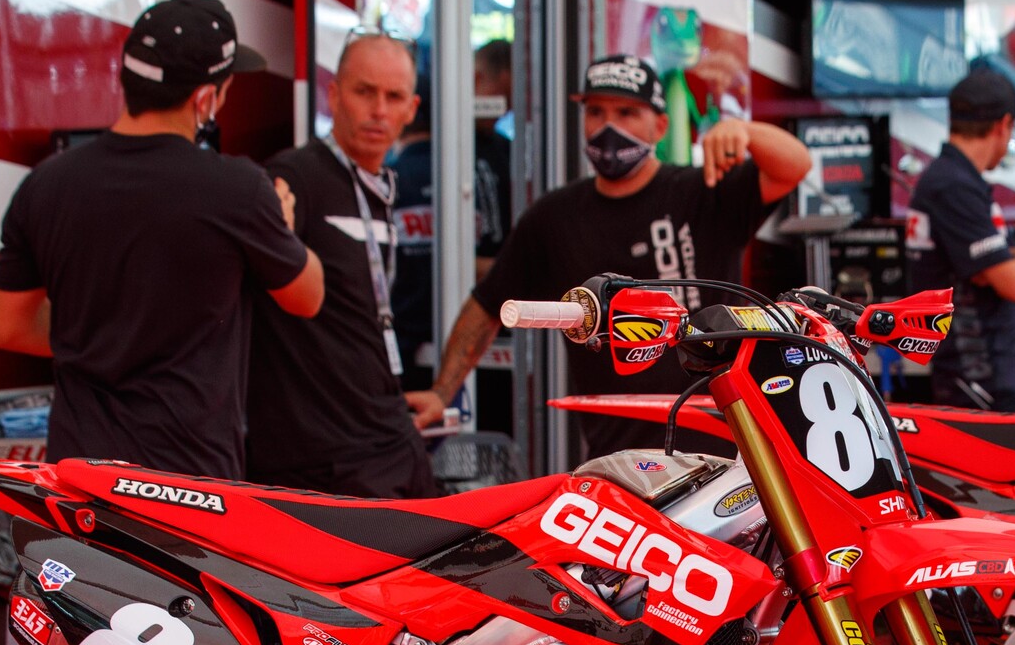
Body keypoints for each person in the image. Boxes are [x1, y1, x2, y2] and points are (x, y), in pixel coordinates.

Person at [0, 0, 323, 479]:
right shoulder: (238, 189)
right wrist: (284, 227)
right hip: (189, 484)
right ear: (205, 99)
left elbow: (7, 327)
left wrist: (102, 333)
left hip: (80, 479)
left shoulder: (44, 185)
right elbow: (307, 297)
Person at [416, 54, 813, 459]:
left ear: (660, 125)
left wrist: (744, 131)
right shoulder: (552, 218)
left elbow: (794, 165)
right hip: (619, 460)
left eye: (626, 112)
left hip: (726, 448)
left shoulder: (703, 191)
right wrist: (441, 392)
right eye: (596, 111)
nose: (608, 126)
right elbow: (486, 306)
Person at [245, 33, 436, 497]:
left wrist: (434, 392)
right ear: (333, 96)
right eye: (364, 91)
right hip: (320, 459)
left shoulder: (382, 187)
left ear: (411, 109)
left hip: (386, 434)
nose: (379, 110)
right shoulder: (293, 176)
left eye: (393, 97)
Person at [391, 42, 517, 421]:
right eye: (503, 98)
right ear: (474, 80)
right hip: (419, 346)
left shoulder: (503, 152)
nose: (504, 111)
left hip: (493, 336)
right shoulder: (438, 166)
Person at [905, 62, 1015, 412]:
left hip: (989, 374)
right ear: (1003, 125)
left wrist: (1008, 260)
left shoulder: (958, 180)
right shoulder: (953, 186)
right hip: (984, 379)